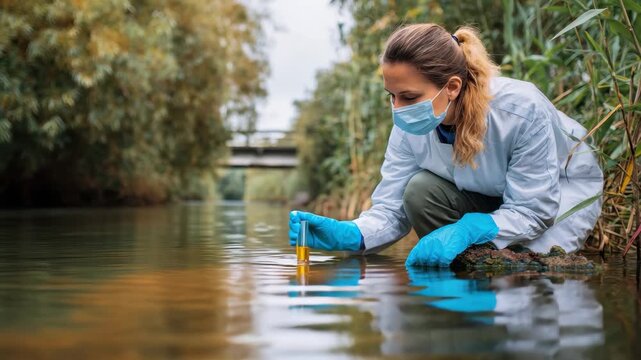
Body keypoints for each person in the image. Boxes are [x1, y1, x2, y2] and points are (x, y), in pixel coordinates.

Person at [289, 23, 603, 267]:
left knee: (530, 268)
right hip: (492, 193)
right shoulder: (409, 122)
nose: (397, 108)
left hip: (560, 195)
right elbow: (392, 209)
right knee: (420, 191)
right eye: (391, 95)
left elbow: (533, 209)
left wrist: (469, 228)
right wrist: (352, 235)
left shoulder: (520, 111)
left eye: (409, 97)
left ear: (452, 87)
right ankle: (471, 269)